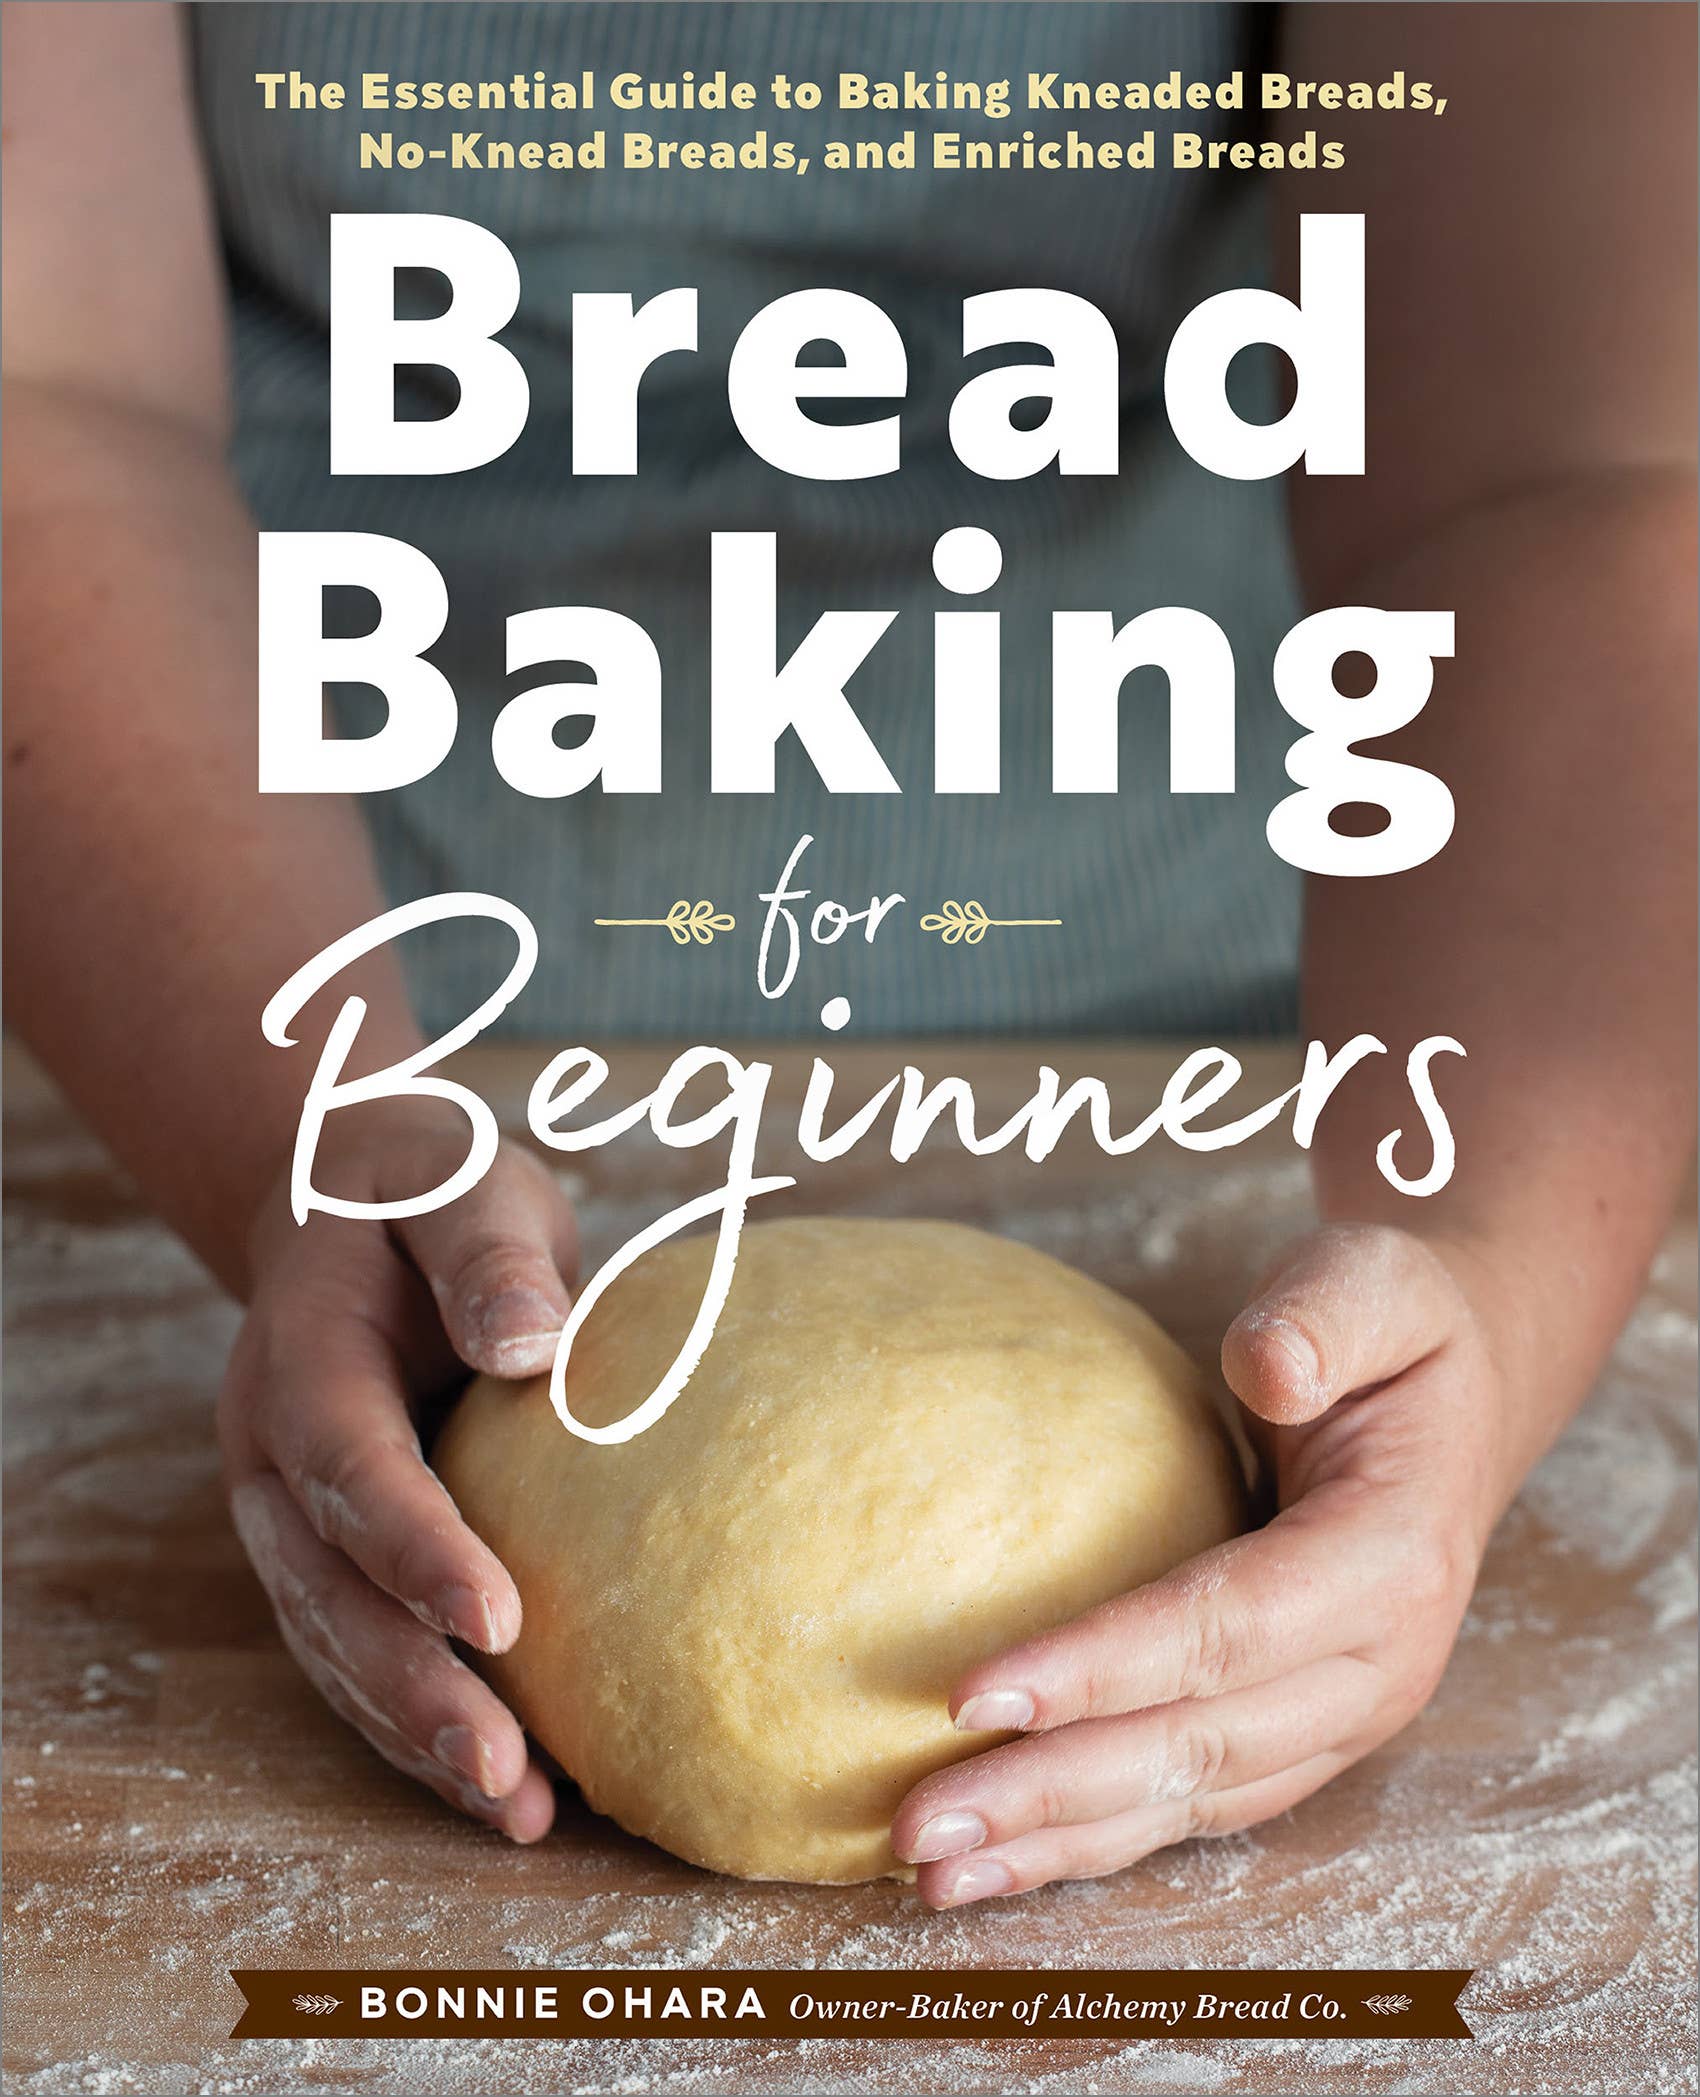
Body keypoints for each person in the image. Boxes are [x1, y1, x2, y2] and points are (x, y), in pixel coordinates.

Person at [4, 1, 1693, 1906]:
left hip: (1236, 997)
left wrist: (1480, 1264)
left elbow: (1558, 460)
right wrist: (305, 1125)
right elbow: (40, 383)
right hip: (318, 963)